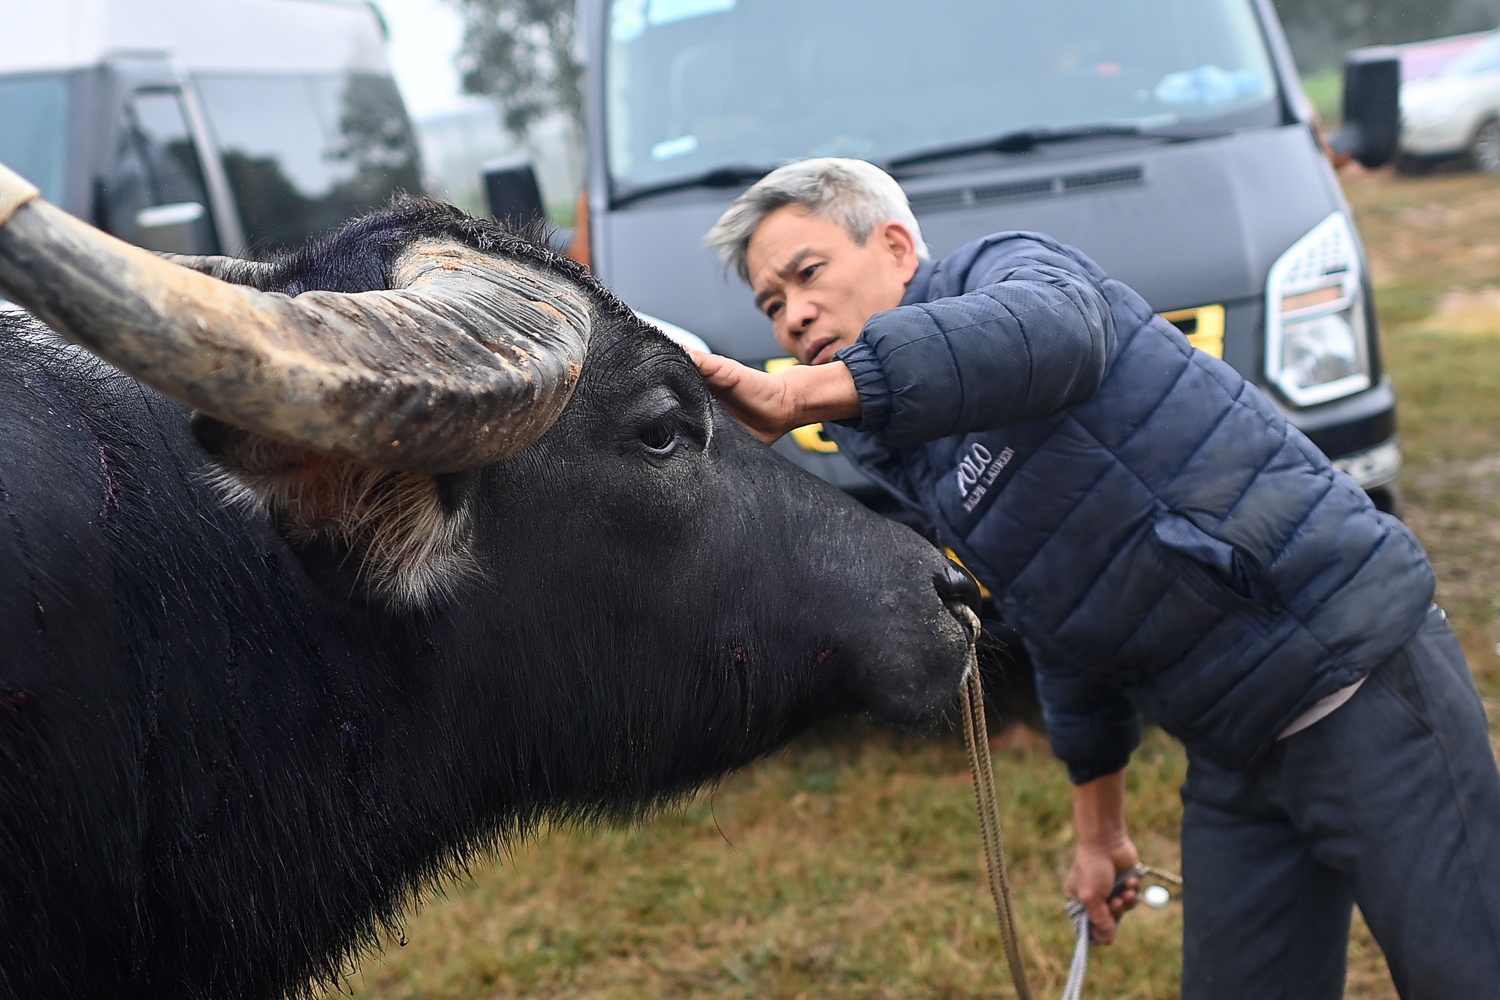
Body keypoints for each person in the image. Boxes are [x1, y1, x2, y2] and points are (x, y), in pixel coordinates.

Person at [693, 156, 1500, 999]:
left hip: (1363, 684)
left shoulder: (1015, 273)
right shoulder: (914, 451)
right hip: (1233, 752)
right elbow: (1059, 613)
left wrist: (800, 398)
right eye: (773, 305)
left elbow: (1055, 337)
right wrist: (1098, 831)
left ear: (896, 246)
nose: (794, 317)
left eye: (807, 274)